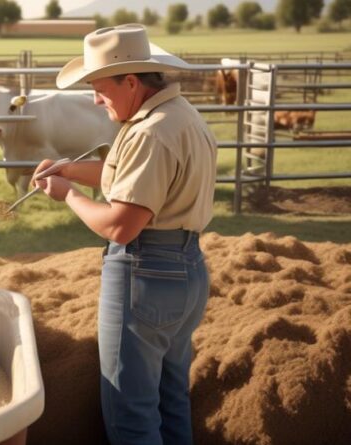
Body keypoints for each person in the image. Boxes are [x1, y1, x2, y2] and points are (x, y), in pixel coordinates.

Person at [33, 24, 217, 445]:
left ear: (130, 81)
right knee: (171, 401)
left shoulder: (149, 133)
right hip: (187, 270)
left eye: (99, 88)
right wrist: (68, 168)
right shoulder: (177, 116)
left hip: (145, 272)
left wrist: (69, 196)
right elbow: (133, 179)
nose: (96, 100)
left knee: (130, 415)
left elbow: (121, 223)